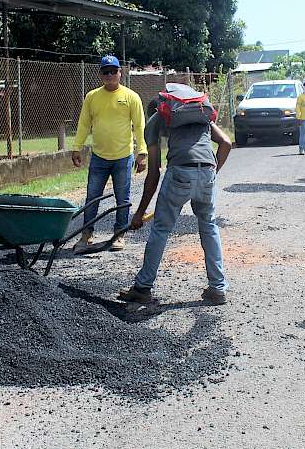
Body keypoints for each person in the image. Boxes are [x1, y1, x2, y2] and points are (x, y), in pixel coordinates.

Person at [119, 84, 232, 305]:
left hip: (180, 171)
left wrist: (139, 213)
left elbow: (153, 174)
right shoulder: (200, 116)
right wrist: (210, 175)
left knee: (161, 229)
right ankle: (218, 289)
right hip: (207, 170)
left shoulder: (154, 122)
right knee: (209, 226)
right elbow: (226, 143)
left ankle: (142, 288)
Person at [71, 55, 147, 252]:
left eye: (114, 71)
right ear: (101, 74)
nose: (110, 75)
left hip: (123, 157)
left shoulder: (131, 97)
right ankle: (86, 235)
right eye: (106, 72)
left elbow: (139, 126)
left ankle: (119, 235)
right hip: (99, 157)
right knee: (92, 197)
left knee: (123, 198)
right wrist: (77, 147)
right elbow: (83, 124)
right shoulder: (92, 97)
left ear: (120, 73)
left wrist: (142, 152)